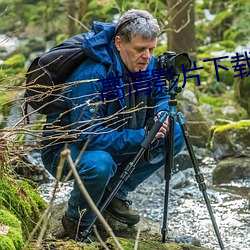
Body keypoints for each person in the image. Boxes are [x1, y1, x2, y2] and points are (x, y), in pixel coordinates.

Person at [41, 9, 185, 241]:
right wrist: (142, 135)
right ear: (119, 43)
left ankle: (115, 193)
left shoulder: (145, 63)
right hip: (67, 150)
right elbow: (87, 136)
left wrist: (161, 113)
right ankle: (76, 221)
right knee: (100, 164)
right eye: (140, 49)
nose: (147, 56)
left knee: (175, 131)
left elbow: (160, 93)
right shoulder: (92, 75)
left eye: (152, 49)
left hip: (117, 135)